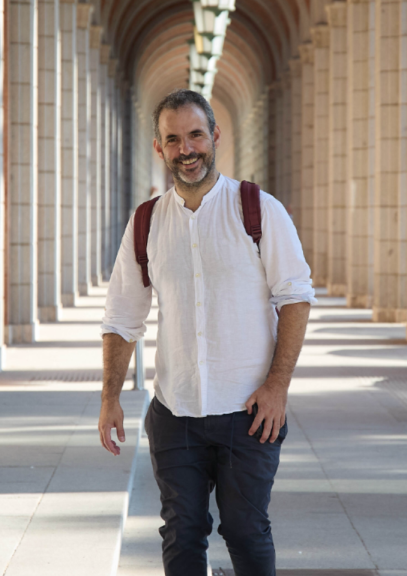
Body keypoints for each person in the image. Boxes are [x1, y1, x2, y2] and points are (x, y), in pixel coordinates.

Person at [97, 89, 315, 575]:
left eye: (196, 134)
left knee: (245, 530)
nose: (186, 149)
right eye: (173, 139)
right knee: (181, 531)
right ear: (159, 147)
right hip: (176, 413)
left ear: (214, 135)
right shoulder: (146, 222)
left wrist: (278, 386)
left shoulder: (258, 209)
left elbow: (296, 298)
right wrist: (110, 396)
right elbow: (122, 317)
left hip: (250, 412)